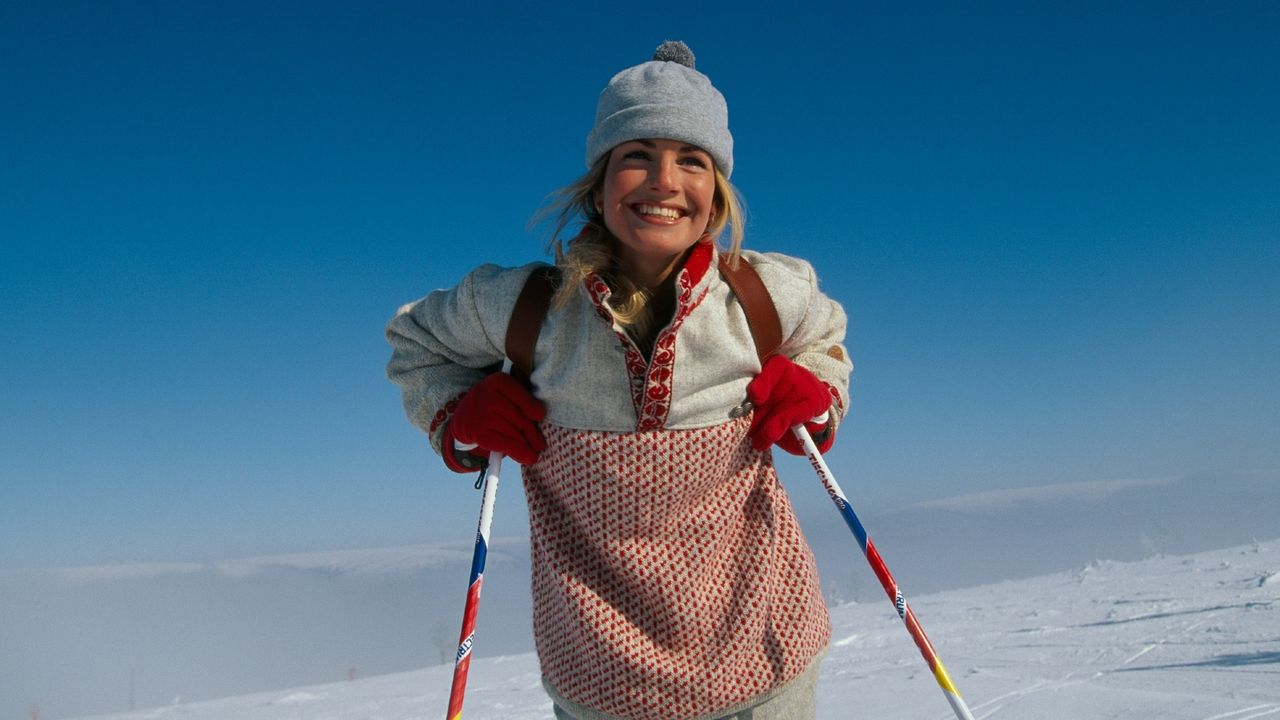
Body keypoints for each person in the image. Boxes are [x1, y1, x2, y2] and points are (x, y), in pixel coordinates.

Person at [386, 41, 852, 720]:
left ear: (716, 198)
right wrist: (459, 414)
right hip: (601, 676)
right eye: (636, 155)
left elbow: (825, 338)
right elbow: (415, 342)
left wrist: (816, 392)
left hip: (764, 654)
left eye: (691, 160)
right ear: (599, 188)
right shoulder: (526, 310)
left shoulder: (761, 297)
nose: (664, 180)